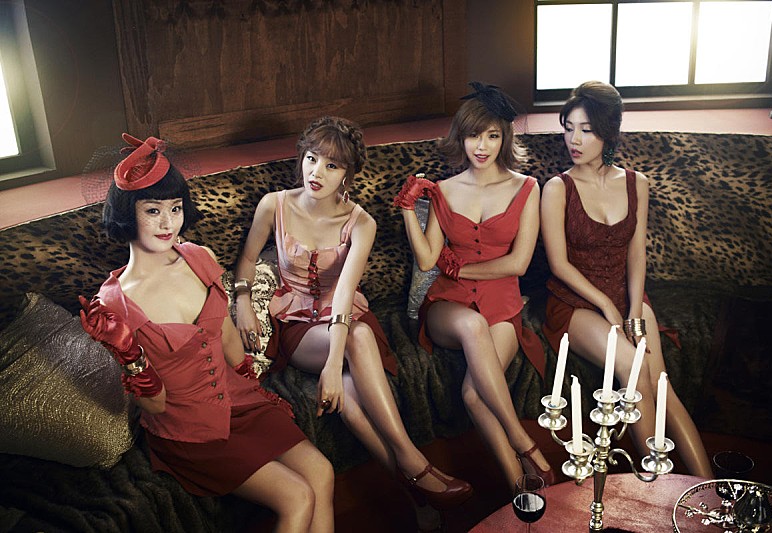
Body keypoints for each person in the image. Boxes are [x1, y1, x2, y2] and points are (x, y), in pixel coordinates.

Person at [80, 133, 335, 532]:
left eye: (175, 208)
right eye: (153, 211)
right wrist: (130, 355)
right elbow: (155, 406)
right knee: (297, 496)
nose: (168, 223)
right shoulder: (113, 304)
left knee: (322, 472)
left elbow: (227, 335)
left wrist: (249, 374)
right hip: (187, 428)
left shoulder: (199, 257)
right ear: (128, 215)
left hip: (238, 400)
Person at [233, 116, 473, 526]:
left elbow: (344, 290)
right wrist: (241, 299)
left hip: (346, 319)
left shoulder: (361, 222)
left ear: (347, 174)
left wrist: (333, 366)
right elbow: (248, 258)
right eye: (312, 158)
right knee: (356, 340)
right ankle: (415, 464)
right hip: (298, 326)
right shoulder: (274, 204)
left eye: (331, 165)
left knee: (352, 405)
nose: (316, 172)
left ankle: (418, 500)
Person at [539, 81, 713, 477]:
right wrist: (605, 304)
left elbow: (636, 254)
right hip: (574, 303)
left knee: (661, 382)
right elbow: (559, 264)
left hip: (627, 296)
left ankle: (708, 489)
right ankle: (658, 485)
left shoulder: (637, 183)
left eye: (586, 130)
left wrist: (634, 310)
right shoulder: (557, 188)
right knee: (632, 366)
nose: (574, 140)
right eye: (568, 128)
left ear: (608, 132)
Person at [395, 82, 554, 491]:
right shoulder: (444, 190)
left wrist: (461, 268)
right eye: (472, 136)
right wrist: (409, 210)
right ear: (460, 138)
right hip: (448, 306)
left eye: (492, 136)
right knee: (471, 325)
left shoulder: (527, 188)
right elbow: (428, 261)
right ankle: (523, 442)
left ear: (504, 138)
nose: (481, 147)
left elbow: (518, 263)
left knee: (472, 395)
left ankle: (518, 487)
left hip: (503, 306)